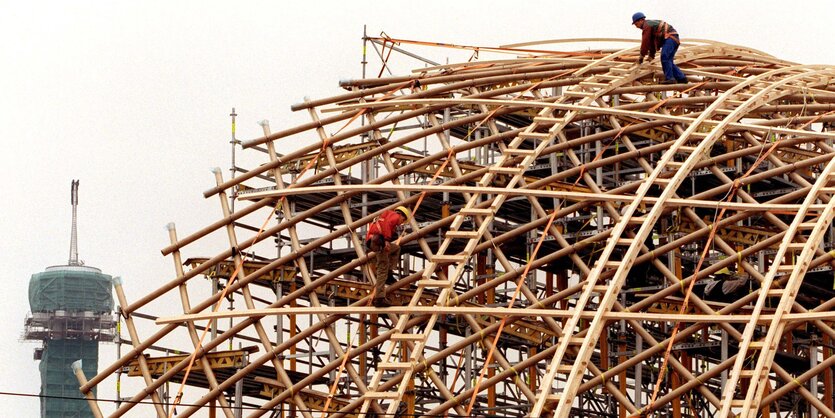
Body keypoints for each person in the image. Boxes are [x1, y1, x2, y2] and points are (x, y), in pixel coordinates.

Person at [366, 206, 411, 306]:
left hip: (375, 241)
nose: (401, 223)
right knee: (382, 269)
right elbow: (387, 224)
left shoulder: (385, 215)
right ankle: (379, 298)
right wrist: (386, 239)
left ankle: (389, 273)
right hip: (379, 242)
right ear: (401, 215)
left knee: (396, 248)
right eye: (403, 220)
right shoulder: (394, 216)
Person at [631, 12, 688, 84]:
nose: (636, 26)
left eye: (636, 24)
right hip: (673, 39)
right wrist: (651, 55)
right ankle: (681, 78)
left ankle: (670, 79)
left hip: (670, 39)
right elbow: (652, 43)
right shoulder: (650, 26)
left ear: (641, 20)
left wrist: (641, 56)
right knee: (668, 61)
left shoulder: (647, 26)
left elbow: (645, 42)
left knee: (665, 57)